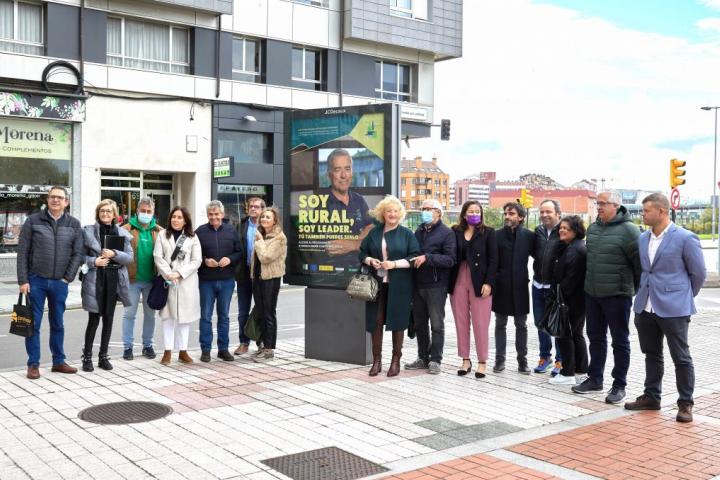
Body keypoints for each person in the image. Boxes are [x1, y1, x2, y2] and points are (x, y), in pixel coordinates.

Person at [624, 193, 706, 422]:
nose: (643, 214)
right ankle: (652, 397)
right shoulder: (643, 238)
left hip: (674, 308)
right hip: (645, 306)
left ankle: (685, 403)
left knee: (681, 357)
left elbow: (698, 274)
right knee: (651, 354)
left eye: (646, 210)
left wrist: (683, 296)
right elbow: (645, 271)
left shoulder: (685, 238)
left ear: (661, 211)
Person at [573, 191, 641, 404]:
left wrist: (630, 289)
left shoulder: (630, 230)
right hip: (593, 294)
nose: (599, 207)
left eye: (603, 203)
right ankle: (595, 379)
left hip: (617, 296)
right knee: (595, 338)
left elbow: (639, 266)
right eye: (597, 203)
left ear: (616, 205)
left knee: (620, 341)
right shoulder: (593, 229)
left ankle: (619, 385)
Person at [17, 186, 84, 379]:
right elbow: (23, 252)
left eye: (60, 198)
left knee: (58, 323)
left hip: (59, 283)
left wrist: (67, 278)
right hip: (35, 281)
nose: (56, 200)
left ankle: (58, 362)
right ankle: (33, 364)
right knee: (32, 324)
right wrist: (23, 280)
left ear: (66, 202)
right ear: (47, 199)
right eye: (53, 197)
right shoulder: (33, 221)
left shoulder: (73, 224)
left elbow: (77, 253)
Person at [359, 195, 420, 377]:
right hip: (376, 285)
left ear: (400, 214)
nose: (392, 214)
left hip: (399, 285)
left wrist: (394, 264)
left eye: (395, 211)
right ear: (382, 213)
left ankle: (396, 361)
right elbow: (362, 252)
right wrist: (371, 260)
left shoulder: (407, 234)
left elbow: (415, 257)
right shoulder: (374, 233)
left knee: (398, 322)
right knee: (375, 323)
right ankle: (377, 361)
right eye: (388, 211)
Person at [80, 199, 134, 372]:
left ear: (114, 215)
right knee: (93, 320)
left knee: (109, 320)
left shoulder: (122, 233)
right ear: (98, 213)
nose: (105, 214)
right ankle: (87, 357)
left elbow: (129, 258)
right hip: (95, 280)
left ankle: (103, 357)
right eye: (102, 211)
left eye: (109, 211)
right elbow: (79, 256)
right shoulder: (87, 232)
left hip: (113, 280)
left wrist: (115, 253)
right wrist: (93, 261)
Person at [404, 199, 456, 374]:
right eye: (423, 209)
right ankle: (422, 358)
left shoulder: (446, 233)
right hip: (417, 284)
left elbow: (450, 259)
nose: (425, 212)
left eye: (429, 209)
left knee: (436, 324)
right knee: (420, 324)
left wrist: (428, 257)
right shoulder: (418, 231)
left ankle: (435, 360)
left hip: (436, 286)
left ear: (438, 212)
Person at [448, 201, 497, 379]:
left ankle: (482, 361)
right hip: (459, 277)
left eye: (477, 211)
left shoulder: (489, 232)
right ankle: (465, 359)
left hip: (480, 280)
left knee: (480, 322)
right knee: (461, 321)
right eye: (471, 211)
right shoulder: (455, 231)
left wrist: (489, 282)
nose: (474, 214)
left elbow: (494, 260)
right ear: (464, 214)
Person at [153, 206, 202, 365]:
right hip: (167, 281)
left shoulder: (192, 237)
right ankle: (167, 351)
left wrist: (179, 273)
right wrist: (169, 274)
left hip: (186, 282)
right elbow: (158, 257)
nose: (176, 220)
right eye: (174, 216)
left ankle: (183, 351)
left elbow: (197, 260)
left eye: (180, 217)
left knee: (184, 318)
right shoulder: (162, 234)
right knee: (168, 317)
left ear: (185, 220)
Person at [196, 200, 243, 362]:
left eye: (217, 214)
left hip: (227, 281)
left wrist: (229, 259)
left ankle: (223, 349)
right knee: (206, 316)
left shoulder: (231, 230)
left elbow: (239, 252)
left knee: (224, 316)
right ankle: (206, 350)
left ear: (222, 215)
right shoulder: (200, 232)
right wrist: (204, 261)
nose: (214, 217)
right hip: (206, 281)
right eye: (211, 214)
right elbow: (193, 255)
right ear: (207, 215)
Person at [492, 202, 535, 374]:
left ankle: (522, 361)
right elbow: (492, 261)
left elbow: (539, 257)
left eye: (511, 213)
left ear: (521, 217)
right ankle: (499, 360)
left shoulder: (529, 236)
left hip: (520, 286)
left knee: (521, 324)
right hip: (501, 286)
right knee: (500, 323)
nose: (507, 217)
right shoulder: (496, 236)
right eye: (505, 213)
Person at [547, 216, 589, 385]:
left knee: (565, 335)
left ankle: (568, 372)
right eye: (561, 228)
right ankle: (580, 371)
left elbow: (570, 279)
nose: (562, 230)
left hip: (570, 301)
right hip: (575, 300)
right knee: (576, 335)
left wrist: (557, 295)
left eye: (566, 228)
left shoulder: (575, 249)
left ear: (576, 230)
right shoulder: (572, 246)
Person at [121, 197, 163, 361]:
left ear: (153, 213)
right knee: (129, 314)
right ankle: (128, 347)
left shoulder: (159, 231)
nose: (145, 214)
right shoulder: (126, 229)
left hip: (152, 281)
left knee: (150, 315)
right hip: (131, 280)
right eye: (143, 211)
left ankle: (147, 345)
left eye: (149, 211)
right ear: (137, 211)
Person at [250, 206, 288, 362]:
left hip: (271, 279)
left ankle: (269, 350)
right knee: (260, 311)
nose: (264, 219)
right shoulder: (263, 235)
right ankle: (261, 345)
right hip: (258, 278)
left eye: (268, 217)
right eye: (263, 216)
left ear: (275, 221)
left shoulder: (279, 238)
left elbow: (266, 257)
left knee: (268, 312)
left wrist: (259, 242)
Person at [324, 149, 374, 260]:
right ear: (329, 174)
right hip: (334, 272)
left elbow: (371, 227)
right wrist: (360, 241)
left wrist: (354, 244)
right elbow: (331, 248)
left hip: (360, 266)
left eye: (347, 169)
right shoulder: (321, 203)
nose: (343, 175)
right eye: (337, 170)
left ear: (352, 172)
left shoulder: (358, 199)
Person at [532, 199, 563, 375]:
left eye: (548, 212)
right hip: (537, 285)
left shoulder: (564, 231)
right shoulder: (538, 231)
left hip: (555, 287)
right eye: (542, 212)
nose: (544, 215)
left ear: (557, 213)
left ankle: (560, 360)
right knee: (540, 323)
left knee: (557, 324)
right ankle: (545, 357)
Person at [234, 196, 266, 355]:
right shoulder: (241, 225)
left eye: (257, 207)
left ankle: (261, 343)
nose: (253, 209)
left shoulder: (267, 226)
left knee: (260, 309)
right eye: (251, 206)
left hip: (261, 274)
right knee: (242, 311)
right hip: (244, 274)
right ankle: (243, 342)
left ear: (262, 209)